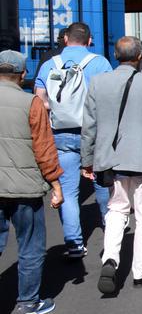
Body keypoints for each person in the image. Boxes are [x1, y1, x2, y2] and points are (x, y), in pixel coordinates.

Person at [81, 37, 142, 293]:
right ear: (139, 57)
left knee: (116, 209)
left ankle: (111, 257)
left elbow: (89, 125)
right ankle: (141, 270)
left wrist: (87, 160)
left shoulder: (98, 82)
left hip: (110, 158)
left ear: (116, 55)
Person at [34, 21, 113, 259]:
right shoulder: (100, 62)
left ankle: (74, 244)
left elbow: (40, 101)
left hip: (60, 133)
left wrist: (58, 107)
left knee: (68, 190)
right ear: (89, 40)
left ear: (65, 39)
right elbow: (108, 99)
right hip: (94, 133)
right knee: (102, 183)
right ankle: (111, 229)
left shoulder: (49, 64)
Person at [0, 50, 64, 314]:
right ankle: (27, 304)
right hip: (25, 188)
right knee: (30, 245)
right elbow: (44, 149)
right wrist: (56, 184)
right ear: (23, 75)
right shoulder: (32, 103)